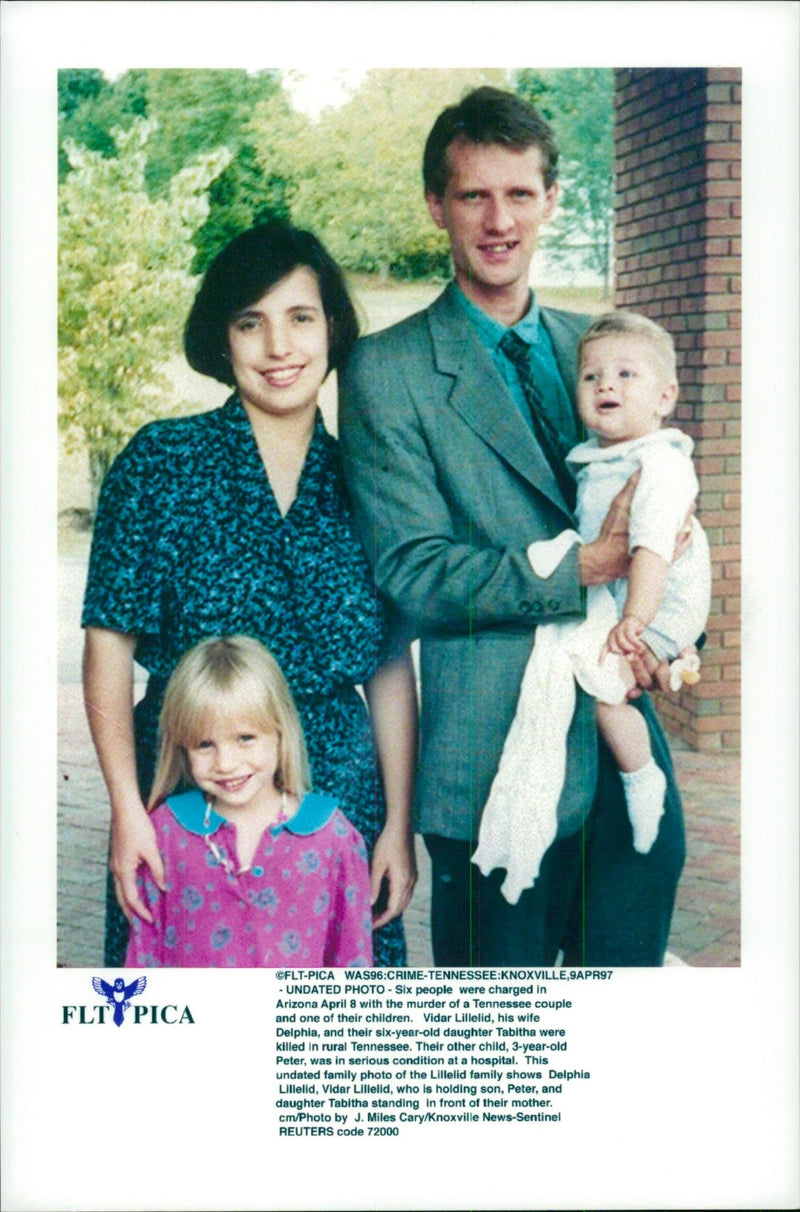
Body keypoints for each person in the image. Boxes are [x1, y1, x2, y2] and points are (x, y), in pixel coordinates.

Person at [339, 86, 687, 967]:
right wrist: (586, 565)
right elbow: (412, 571)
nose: (499, 221)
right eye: (473, 195)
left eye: (520, 195)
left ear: (551, 202)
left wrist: (678, 630)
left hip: (622, 745)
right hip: (489, 759)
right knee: (497, 1046)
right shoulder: (388, 371)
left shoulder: (603, 347)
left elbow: (673, 512)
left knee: (621, 1022)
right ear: (436, 207)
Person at [82, 222, 417, 969]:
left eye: (300, 318)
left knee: (331, 1055)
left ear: (332, 328)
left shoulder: (374, 477)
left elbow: (391, 664)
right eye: (250, 322)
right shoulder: (161, 463)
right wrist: (126, 811)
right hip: (184, 799)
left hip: (339, 804)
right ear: (221, 338)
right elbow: (107, 646)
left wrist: (398, 823)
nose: (279, 347)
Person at [474, 311, 710, 903]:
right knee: (598, 677)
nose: (606, 386)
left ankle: (641, 778)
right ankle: (639, 769)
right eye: (591, 377)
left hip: (661, 600)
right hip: (625, 595)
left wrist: (638, 622)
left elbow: (654, 548)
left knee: (607, 692)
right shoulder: (605, 456)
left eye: (626, 375)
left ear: (665, 397)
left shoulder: (659, 463)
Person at [125, 635, 373, 968]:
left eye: (245, 738)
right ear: (182, 746)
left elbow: (352, 962)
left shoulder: (334, 838)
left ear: (281, 731)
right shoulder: (165, 834)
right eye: (204, 744)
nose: (225, 763)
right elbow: (143, 958)